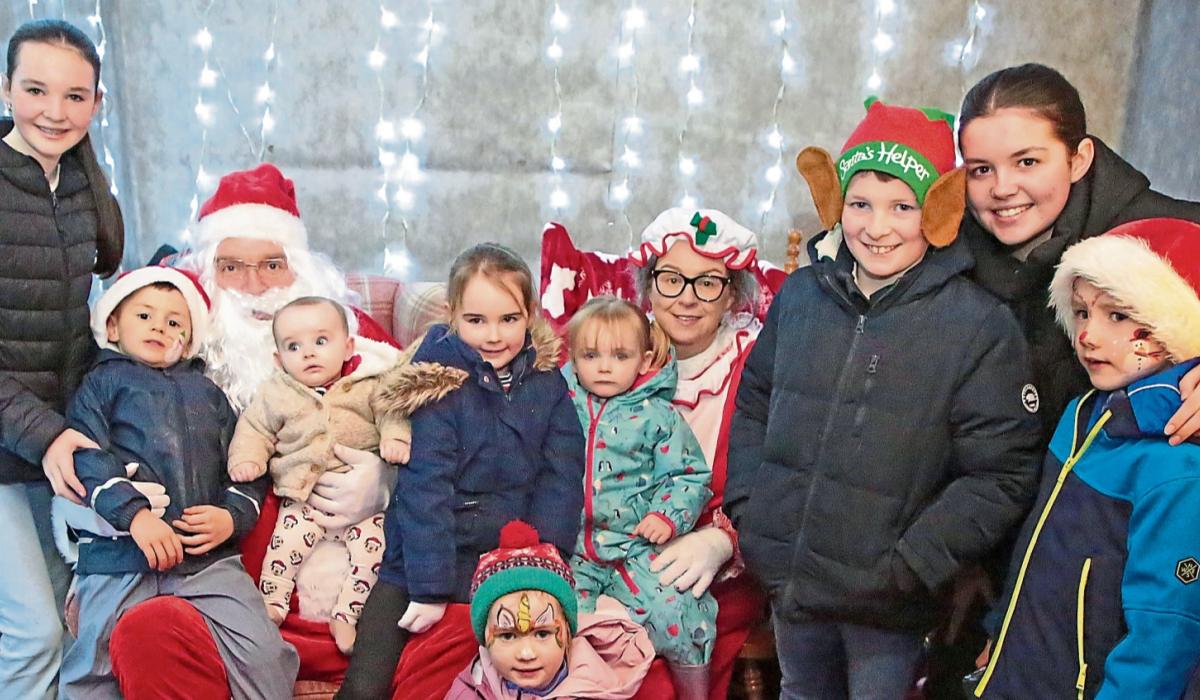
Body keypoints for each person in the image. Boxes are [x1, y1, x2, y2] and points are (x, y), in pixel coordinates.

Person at [726, 98, 1044, 698]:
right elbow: (755, 405)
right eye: (861, 204)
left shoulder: (977, 326)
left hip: (888, 606)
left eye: (902, 207)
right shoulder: (801, 298)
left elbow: (1001, 473)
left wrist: (915, 564)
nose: (877, 228)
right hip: (795, 582)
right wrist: (753, 511)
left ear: (938, 211)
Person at [74, 164, 404, 698]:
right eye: (231, 267)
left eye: (272, 264)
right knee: (141, 640)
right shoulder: (180, 364)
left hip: (357, 600)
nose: (253, 287)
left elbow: (435, 438)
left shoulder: (359, 345)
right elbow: (86, 447)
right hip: (203, 577)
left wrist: (386, 479)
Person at [336, 242, 585, 699]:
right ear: (452, 315)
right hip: (422, 555)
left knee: (521, 668)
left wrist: (546, 555)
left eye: (509, 320)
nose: (493, 336)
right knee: (367, 683)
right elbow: (424, 487)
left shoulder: (547, 381)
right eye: (476, 321)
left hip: (511, 550)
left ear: (530, 313)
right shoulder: (437, 383)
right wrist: (429, 587)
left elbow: (562, 473)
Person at [973, 217, 1200, 699]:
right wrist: (1004, 631)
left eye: (1117, 316)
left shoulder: (1175, 463)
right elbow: (1040, 543)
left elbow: (1164, 631)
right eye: (1080, 313)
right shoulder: (1082, 415)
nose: (1088, 336)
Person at [60, 265, 298, 697]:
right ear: (112, 325)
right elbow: (87, 458)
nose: (159, 327)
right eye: (144, 316)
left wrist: (231, 518)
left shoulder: (211, 396)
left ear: (188, 339)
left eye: (174, 322)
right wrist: (134, 516)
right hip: (121, 559)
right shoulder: (100, 384)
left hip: (205, 562)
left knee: (266, 654)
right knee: (90, 669)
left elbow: (246, 467)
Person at [957, 62, 1200, 442]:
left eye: (1027, 162)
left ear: (1079, 160)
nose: (1002, 188)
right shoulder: (947, 245)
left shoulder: (1162, 232)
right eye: (981, 170)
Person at [0, 18, 123, 700]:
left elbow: (78, 322)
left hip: (47, 449)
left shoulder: (82, 189)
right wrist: (46, 431)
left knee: (70, 627)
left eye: (76, 96)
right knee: (33, 635)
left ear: (96, 104)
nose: (55, 111)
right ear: (6, 88)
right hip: (19, 443)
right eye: (37, 89)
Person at [227, 296, 433, 653]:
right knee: (284, 546)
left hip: (366, 504)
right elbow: (254, 428)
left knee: (372, 555)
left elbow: (391, 413)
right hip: (304, 496)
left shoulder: (368, 383)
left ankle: (346, 615)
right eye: (294, 346)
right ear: (278, 359)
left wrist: (394, 439)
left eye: (321, 342)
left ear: (347, 346)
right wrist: (247, 458)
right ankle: (273, 602)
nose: (309, 353)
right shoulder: (276, 393)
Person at [624, 206, 768, 700]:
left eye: (707, 282)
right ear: (647, 286)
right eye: (671, 280)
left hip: (716, 576)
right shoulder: (615, 350)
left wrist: (725, 539)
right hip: (615, 558)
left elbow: (788, 472)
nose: (687, 299)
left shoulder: (758, 362)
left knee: (654, 686)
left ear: (730, 293)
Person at [562, 297, 714, 698]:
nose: (605, 366)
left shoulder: (657, 415)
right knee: (561, 620)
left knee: (679, 611)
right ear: (574, 359)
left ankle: (693, 689)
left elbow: (689, 474)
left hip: (636, 546)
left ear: (644, 360)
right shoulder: (561, 405)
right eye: (591, 355)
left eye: (620, 355)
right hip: (573, 548)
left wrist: (667, 516)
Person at [447, 519, 655, 700]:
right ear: (484, 636)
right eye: (508, 636)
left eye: (543, 633)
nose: (526, 653)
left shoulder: (598, 689)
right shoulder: (469, 691)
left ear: (566, 634)